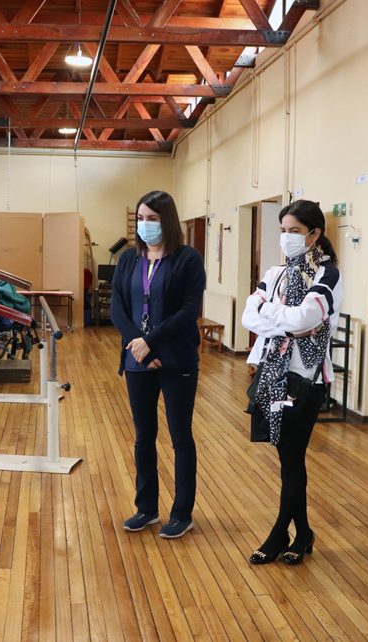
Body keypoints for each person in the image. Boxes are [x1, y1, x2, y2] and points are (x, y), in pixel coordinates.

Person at [241, 199, 342, 566]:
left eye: (295, 231)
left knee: (293, 457)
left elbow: (306, 317)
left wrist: (271, 312)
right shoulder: (276, 273)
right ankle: (302, 533)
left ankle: (279, 533)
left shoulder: (327, 274)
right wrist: (287, 323)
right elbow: (248, 316)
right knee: (287, 458)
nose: (287, 237)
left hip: (306, 380)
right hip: (273, 374)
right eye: (283, 230)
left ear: (314, 234)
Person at [111, 190, 206, 539]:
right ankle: (146, 508)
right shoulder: (128, 259)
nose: (145, 224)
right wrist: (138, 344)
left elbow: (189, 310)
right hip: (138, 359)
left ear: (167, 220)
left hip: (176, 358)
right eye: (141, 218)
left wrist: (150, 342)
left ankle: (182, 513)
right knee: (143, 436)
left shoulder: (188, 259)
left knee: (180, 437)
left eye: (152, 219)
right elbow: (117, 307)